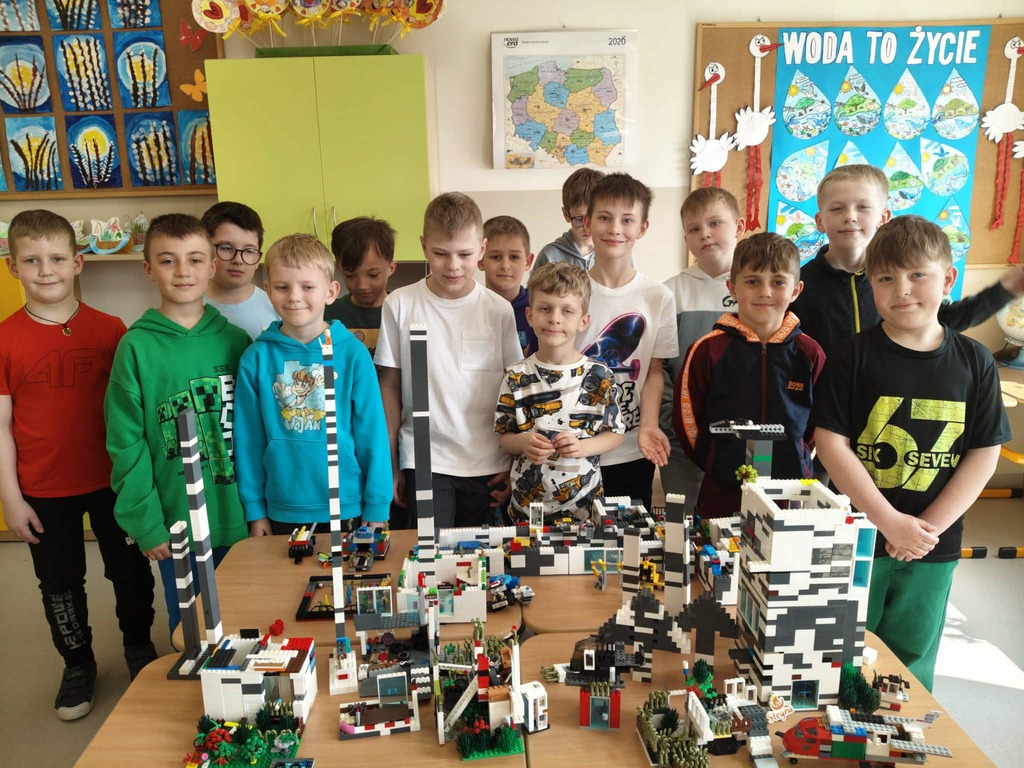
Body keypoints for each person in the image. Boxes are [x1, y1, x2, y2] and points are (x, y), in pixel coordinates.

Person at [814, 215, 1011, 692]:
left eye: (917, 274)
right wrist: (888, 522)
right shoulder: (851, 355)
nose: (901, 289)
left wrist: (924, 531)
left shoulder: (975, 361)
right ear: (871, 284)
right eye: (885, 278)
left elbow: (984, 452)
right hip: (859, 536)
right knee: (843, 651)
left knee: (911, 657)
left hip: (932, 545)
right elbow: (831, 443)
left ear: (948, 279)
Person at [0, 210, 156, 721]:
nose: (45, 270)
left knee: (130, 573)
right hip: (43, 489)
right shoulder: (4, 338)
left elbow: (134, 413)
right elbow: (1, 427)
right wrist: (11, 500)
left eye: (56, 258)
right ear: (12, 267)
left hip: (114, 482)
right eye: (31, 260)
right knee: (60, 583)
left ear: (78, 263)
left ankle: (139, 647)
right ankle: (77, 663)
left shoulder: (111, 330)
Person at [105, 213, 251, 635]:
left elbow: (256, 435)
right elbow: (125, 443)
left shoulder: (237, 341)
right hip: (177, 523)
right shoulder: (135, 347)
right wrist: (146, 523)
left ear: (213, 266)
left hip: (240, 516)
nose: (183, 271)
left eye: (195, 259)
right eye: (168, 260)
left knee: (250, 620)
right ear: (148, 268)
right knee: (190, 630)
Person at [375, 192, 521, 529]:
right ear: (424, 246)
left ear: (481, 249)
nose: (453, 265)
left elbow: (514, 388)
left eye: (464, 254)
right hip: (424, 460)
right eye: (441, 254)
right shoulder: (399, 304)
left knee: (480, 555)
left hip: (487, 462)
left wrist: (513, 461)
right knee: (429, 552)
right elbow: (390, 387)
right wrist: (393, 463)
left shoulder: (499, 310)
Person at [234, 234, 390, 536]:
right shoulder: (256, 358)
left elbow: (373, 433)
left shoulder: (352, 354)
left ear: (330, 292)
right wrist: (255, 509)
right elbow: (249, 440)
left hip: (347, 504)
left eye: (307, 287)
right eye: (283, 287)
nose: (294, 296)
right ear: (268, 290)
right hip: (281, 506)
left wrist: (377, 505)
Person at [792, 164, 1024, 360]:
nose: (850, 216)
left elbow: (949, 318)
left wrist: (1004, 291)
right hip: (827, 394)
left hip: (892, 389)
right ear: (820, 221)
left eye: (862, 207)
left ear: (883, 217)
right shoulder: (800, 284)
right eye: (837, 208)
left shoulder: (900, 279)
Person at [674, 233, 825, 519]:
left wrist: (798, 453)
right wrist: (713, 458)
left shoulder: (810, 352)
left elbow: (819, 423)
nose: (765, 291)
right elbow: (687, 418)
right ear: (732, 287)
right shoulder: (707, 350)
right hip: (722, 489)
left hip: (789, 491)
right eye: (753, 281)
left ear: (796, 290)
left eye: (778, 282)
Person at [574, 173, 678, 512]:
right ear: (588, 222)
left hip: (632, 449)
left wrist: (648, 425)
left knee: (628, 537)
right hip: (574, 447)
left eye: (627, 220)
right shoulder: (570, 291)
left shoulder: (657, 296)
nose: (615, 229)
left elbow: (654, 371)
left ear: (642, 228)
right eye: (604, 217)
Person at [495, 262, 624, 522]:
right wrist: (523, 443)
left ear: (583, 321)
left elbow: (616, 434)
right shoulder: (515, 375)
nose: (555, 318)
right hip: (527, 510)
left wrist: (582, 447)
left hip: (585, 509)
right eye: (545, 308)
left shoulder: (600, 375)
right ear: (530, 316)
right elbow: (504, 436)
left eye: (567, 311)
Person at [660, 187, 745, 515]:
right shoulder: (670, 292)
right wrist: (671, 419)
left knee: (735, 517)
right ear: (686, 240)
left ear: (738, 227)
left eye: (715, 223)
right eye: (694, 229)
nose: (705, 234)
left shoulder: (754, 288)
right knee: (680, 517)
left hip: (740, 435)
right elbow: (660, 365)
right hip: (682, 436)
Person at [202, 201, 278, 340]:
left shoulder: (278, 307)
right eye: (226, 248)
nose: (238, 260)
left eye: (249, 250)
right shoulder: (188, 309)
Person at [325, 215, 398, 359]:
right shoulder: (328, 314)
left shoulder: (401, 312)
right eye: (350, 275)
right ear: (339, 268)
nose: (362, 285)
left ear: (391, 268)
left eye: (373, 275)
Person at [481, 215, 537, 357]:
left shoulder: (539, 310)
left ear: (528, 261)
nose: (505, 266)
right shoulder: (469, 308)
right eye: (495, 257)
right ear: (480, 259)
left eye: (514, 257)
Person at [534, 167, 605, 272]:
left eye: (595, 219)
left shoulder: (615, 254)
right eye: (579, 219)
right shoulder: (549, 256)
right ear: (566, 214)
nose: (587, 228)